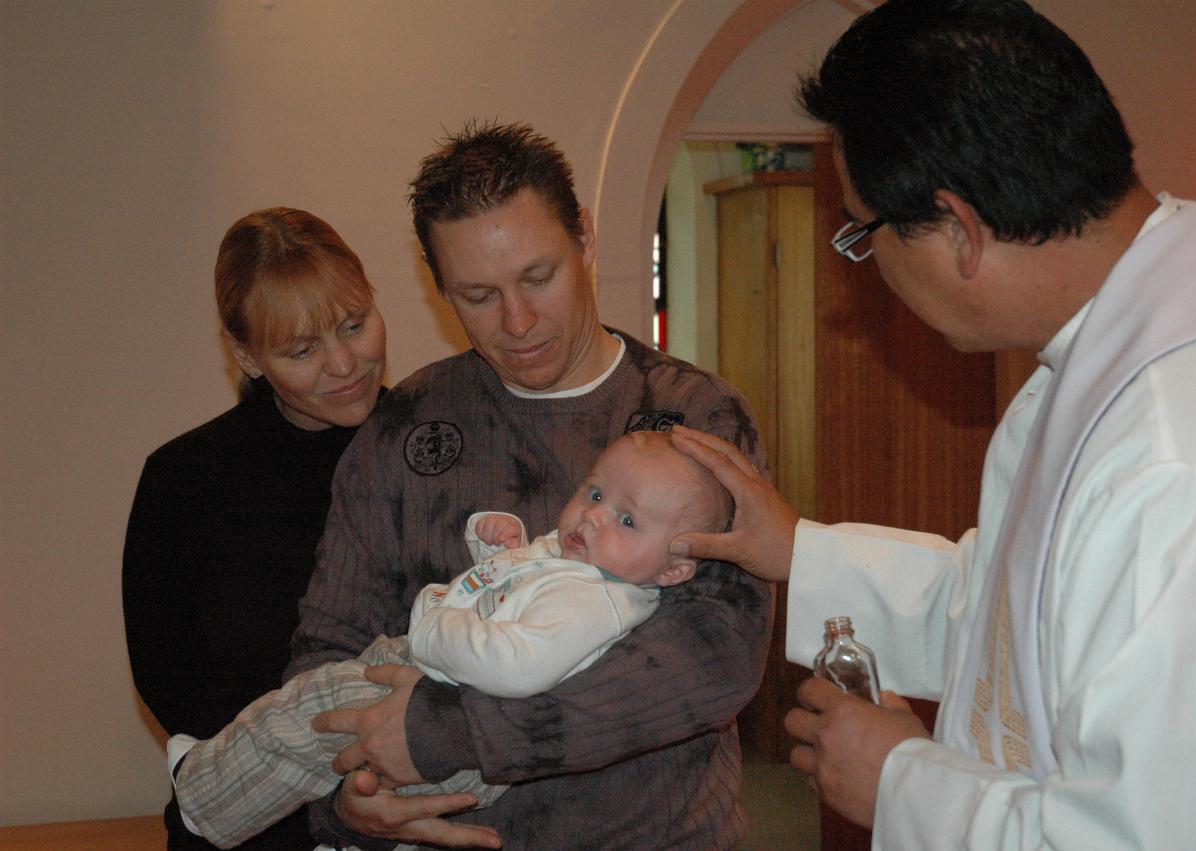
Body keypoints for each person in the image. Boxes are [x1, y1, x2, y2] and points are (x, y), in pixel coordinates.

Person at [668, 1, 1196, 848]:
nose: (867, 262)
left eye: (863, 230)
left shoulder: (1182, 465)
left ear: (956, 227)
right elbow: (1013, 620)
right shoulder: (1106, 361)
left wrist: (902, 781)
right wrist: (799, 549)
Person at [286, 121, 772, 849]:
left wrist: (456, 732)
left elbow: (713, 655)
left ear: (584, 236)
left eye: (537, 278)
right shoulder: (402, 431)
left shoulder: (696, 420)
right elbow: (328, 648)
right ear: (437, 283)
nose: (516, 322)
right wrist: (346, 795)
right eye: (477, 295)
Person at [167, 430, 733, 849]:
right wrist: (501, 552)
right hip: (447, 696)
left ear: (676, 569)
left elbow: (515, 666)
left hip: (445, 696)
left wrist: (433, 624)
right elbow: (514, 600)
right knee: (330, 748)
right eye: (593, 493)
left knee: (301, 720)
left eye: (627, 520)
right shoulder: (591, 567)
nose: (594, 518)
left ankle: (201, 795)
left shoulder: (597, 600)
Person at [122, 207, 389, 849]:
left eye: (355, 324)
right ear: (243, 352)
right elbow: (167, 682)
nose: (345, 362)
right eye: (302, 350)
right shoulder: (184, 479)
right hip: (252, 823)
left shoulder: (431, 448)